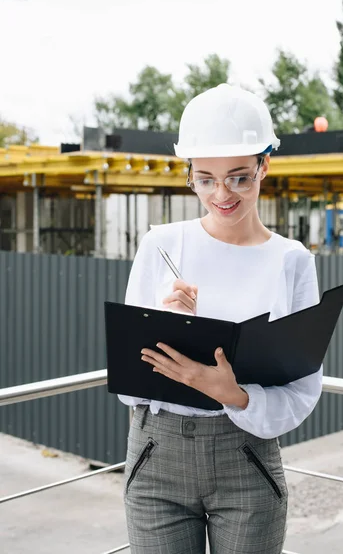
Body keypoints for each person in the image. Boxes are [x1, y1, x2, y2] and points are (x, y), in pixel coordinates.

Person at [118, 83, 322, 554]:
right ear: (189, 173)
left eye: (239, 177)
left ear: (264, 166)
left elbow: (303, 390)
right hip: (156, 455)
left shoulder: (292, 261)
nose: (221, 194)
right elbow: (128, 386)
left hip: (245, 457)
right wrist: (161, 325)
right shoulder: (161, 246)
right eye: (205, 178)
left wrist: (234, 394)